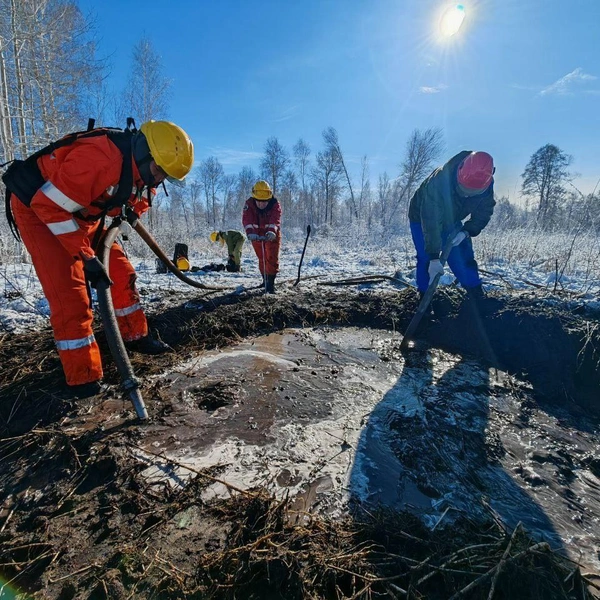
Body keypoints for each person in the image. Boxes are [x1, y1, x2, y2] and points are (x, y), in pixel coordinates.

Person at [5, 120, 194, 397]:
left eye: (166, 176)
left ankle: (134, 336)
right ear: (144, 152)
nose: (160, 180)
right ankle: (83, 378)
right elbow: (49, 206)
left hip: (81, 213)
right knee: (72, 295)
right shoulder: (99, 158)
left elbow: (139, 192)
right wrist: (85, 257)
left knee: (120, 272)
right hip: (40, 213)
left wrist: (130, 211)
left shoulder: (145, 171)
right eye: (159, 171)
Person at [408, 151, 495, 302]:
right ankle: (424, 297)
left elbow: (484, 212)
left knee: (462, 254)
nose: (467, 195)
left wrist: (466, 232)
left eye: (473, 193)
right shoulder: (438, 183)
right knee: (425, 258)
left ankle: (475, 293)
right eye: (464, 190)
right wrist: (434, 257)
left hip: (452, 219)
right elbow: (431, 221)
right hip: (421, 217)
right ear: (459, 173)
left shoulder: (485, 183)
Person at [242, 180, 282, 293]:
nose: (261, 204)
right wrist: (250, 232)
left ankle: (270, 284)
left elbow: (276, 218)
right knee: (262, 258)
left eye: (264, 202)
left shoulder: (275, 204)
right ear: (254, 199)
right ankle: (264, 281)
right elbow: (247, 219)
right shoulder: (249, 204)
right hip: (256, 235)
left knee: (271, 258)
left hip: (272, 235)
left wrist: (272, 231)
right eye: (259, 201)